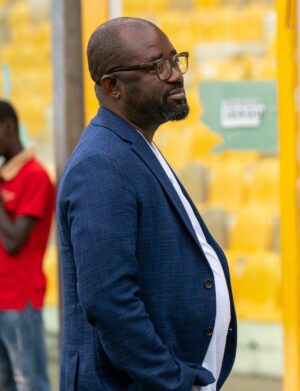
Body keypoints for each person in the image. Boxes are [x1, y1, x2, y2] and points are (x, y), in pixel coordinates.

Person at [57, 17, 236, 390]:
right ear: (112, 85)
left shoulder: (133, 147)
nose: (175, 74)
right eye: (158, 65)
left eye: (176, 59)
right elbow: (109, 301)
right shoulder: (100, 165)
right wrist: (173, 381)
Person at [0, 99, 54, 391]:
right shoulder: (4, 177)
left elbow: (13, 241)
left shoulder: (34, 176)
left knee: (30, 383)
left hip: (20, 300)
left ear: (8, 128)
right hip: (1, 298)